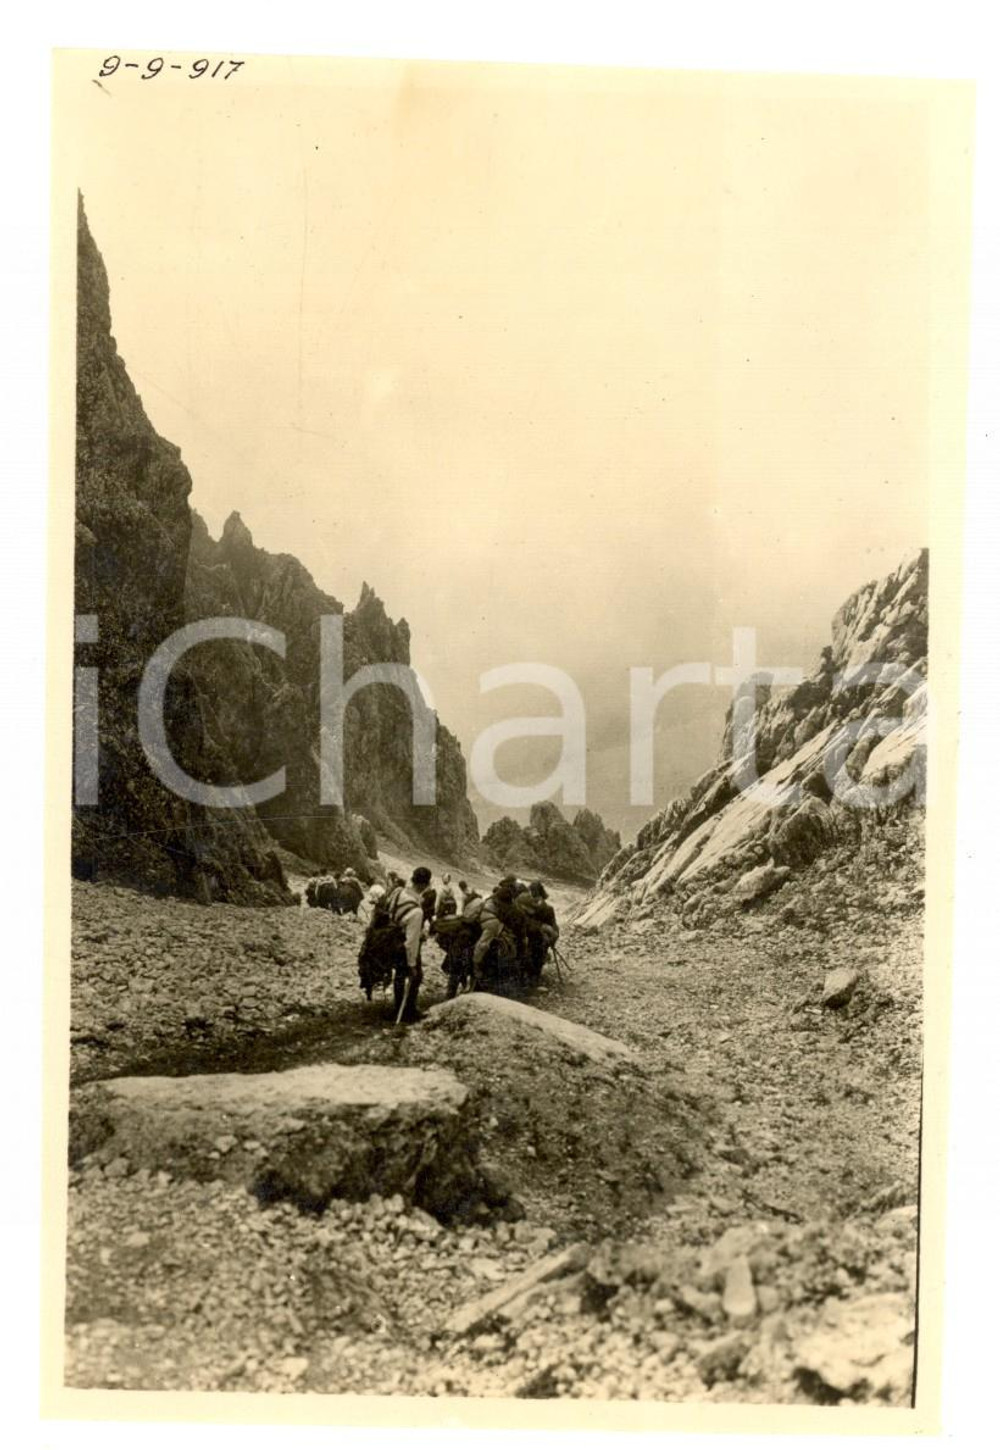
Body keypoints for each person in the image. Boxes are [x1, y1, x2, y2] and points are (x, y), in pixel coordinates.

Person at [386, 866, 432, 1022]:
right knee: (416, 977)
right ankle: (409, 1011)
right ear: (425, 885)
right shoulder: (417, 911)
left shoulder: (398, 892)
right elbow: (411, 942)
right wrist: (412, 965)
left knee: (399, 976)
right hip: (404, 946)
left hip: (392, 939)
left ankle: (398, 1007)